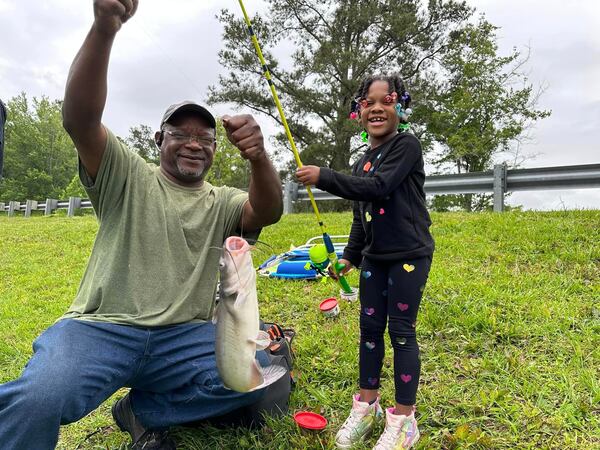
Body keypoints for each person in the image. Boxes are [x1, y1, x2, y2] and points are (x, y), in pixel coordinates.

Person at [0, 1, 288, 449]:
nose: (194, 144)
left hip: (184, 337)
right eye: (180, 133)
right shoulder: (125, 174)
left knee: (267, 377)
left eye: (205, 137)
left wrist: (258, 156)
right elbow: (79, 119)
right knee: (39, 396)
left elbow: (267, 211)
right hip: (101, 329)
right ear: (159, 140)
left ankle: (140, 410)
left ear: (215, 148)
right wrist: (104, 27)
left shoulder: (224, 201)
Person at [296, 74, 434, 450]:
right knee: (370, 330)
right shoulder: (360, 163)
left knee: (401, 331)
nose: (376, 107)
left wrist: (324, 176)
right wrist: (349, 258)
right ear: (358, 113)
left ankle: (405, 419)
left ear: (399, 108)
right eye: (368, 102)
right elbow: (361, 216)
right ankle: (367, 405)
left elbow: (379, 188)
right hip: (374, 258)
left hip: (409, 256)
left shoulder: (406, 146)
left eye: (386, 100)